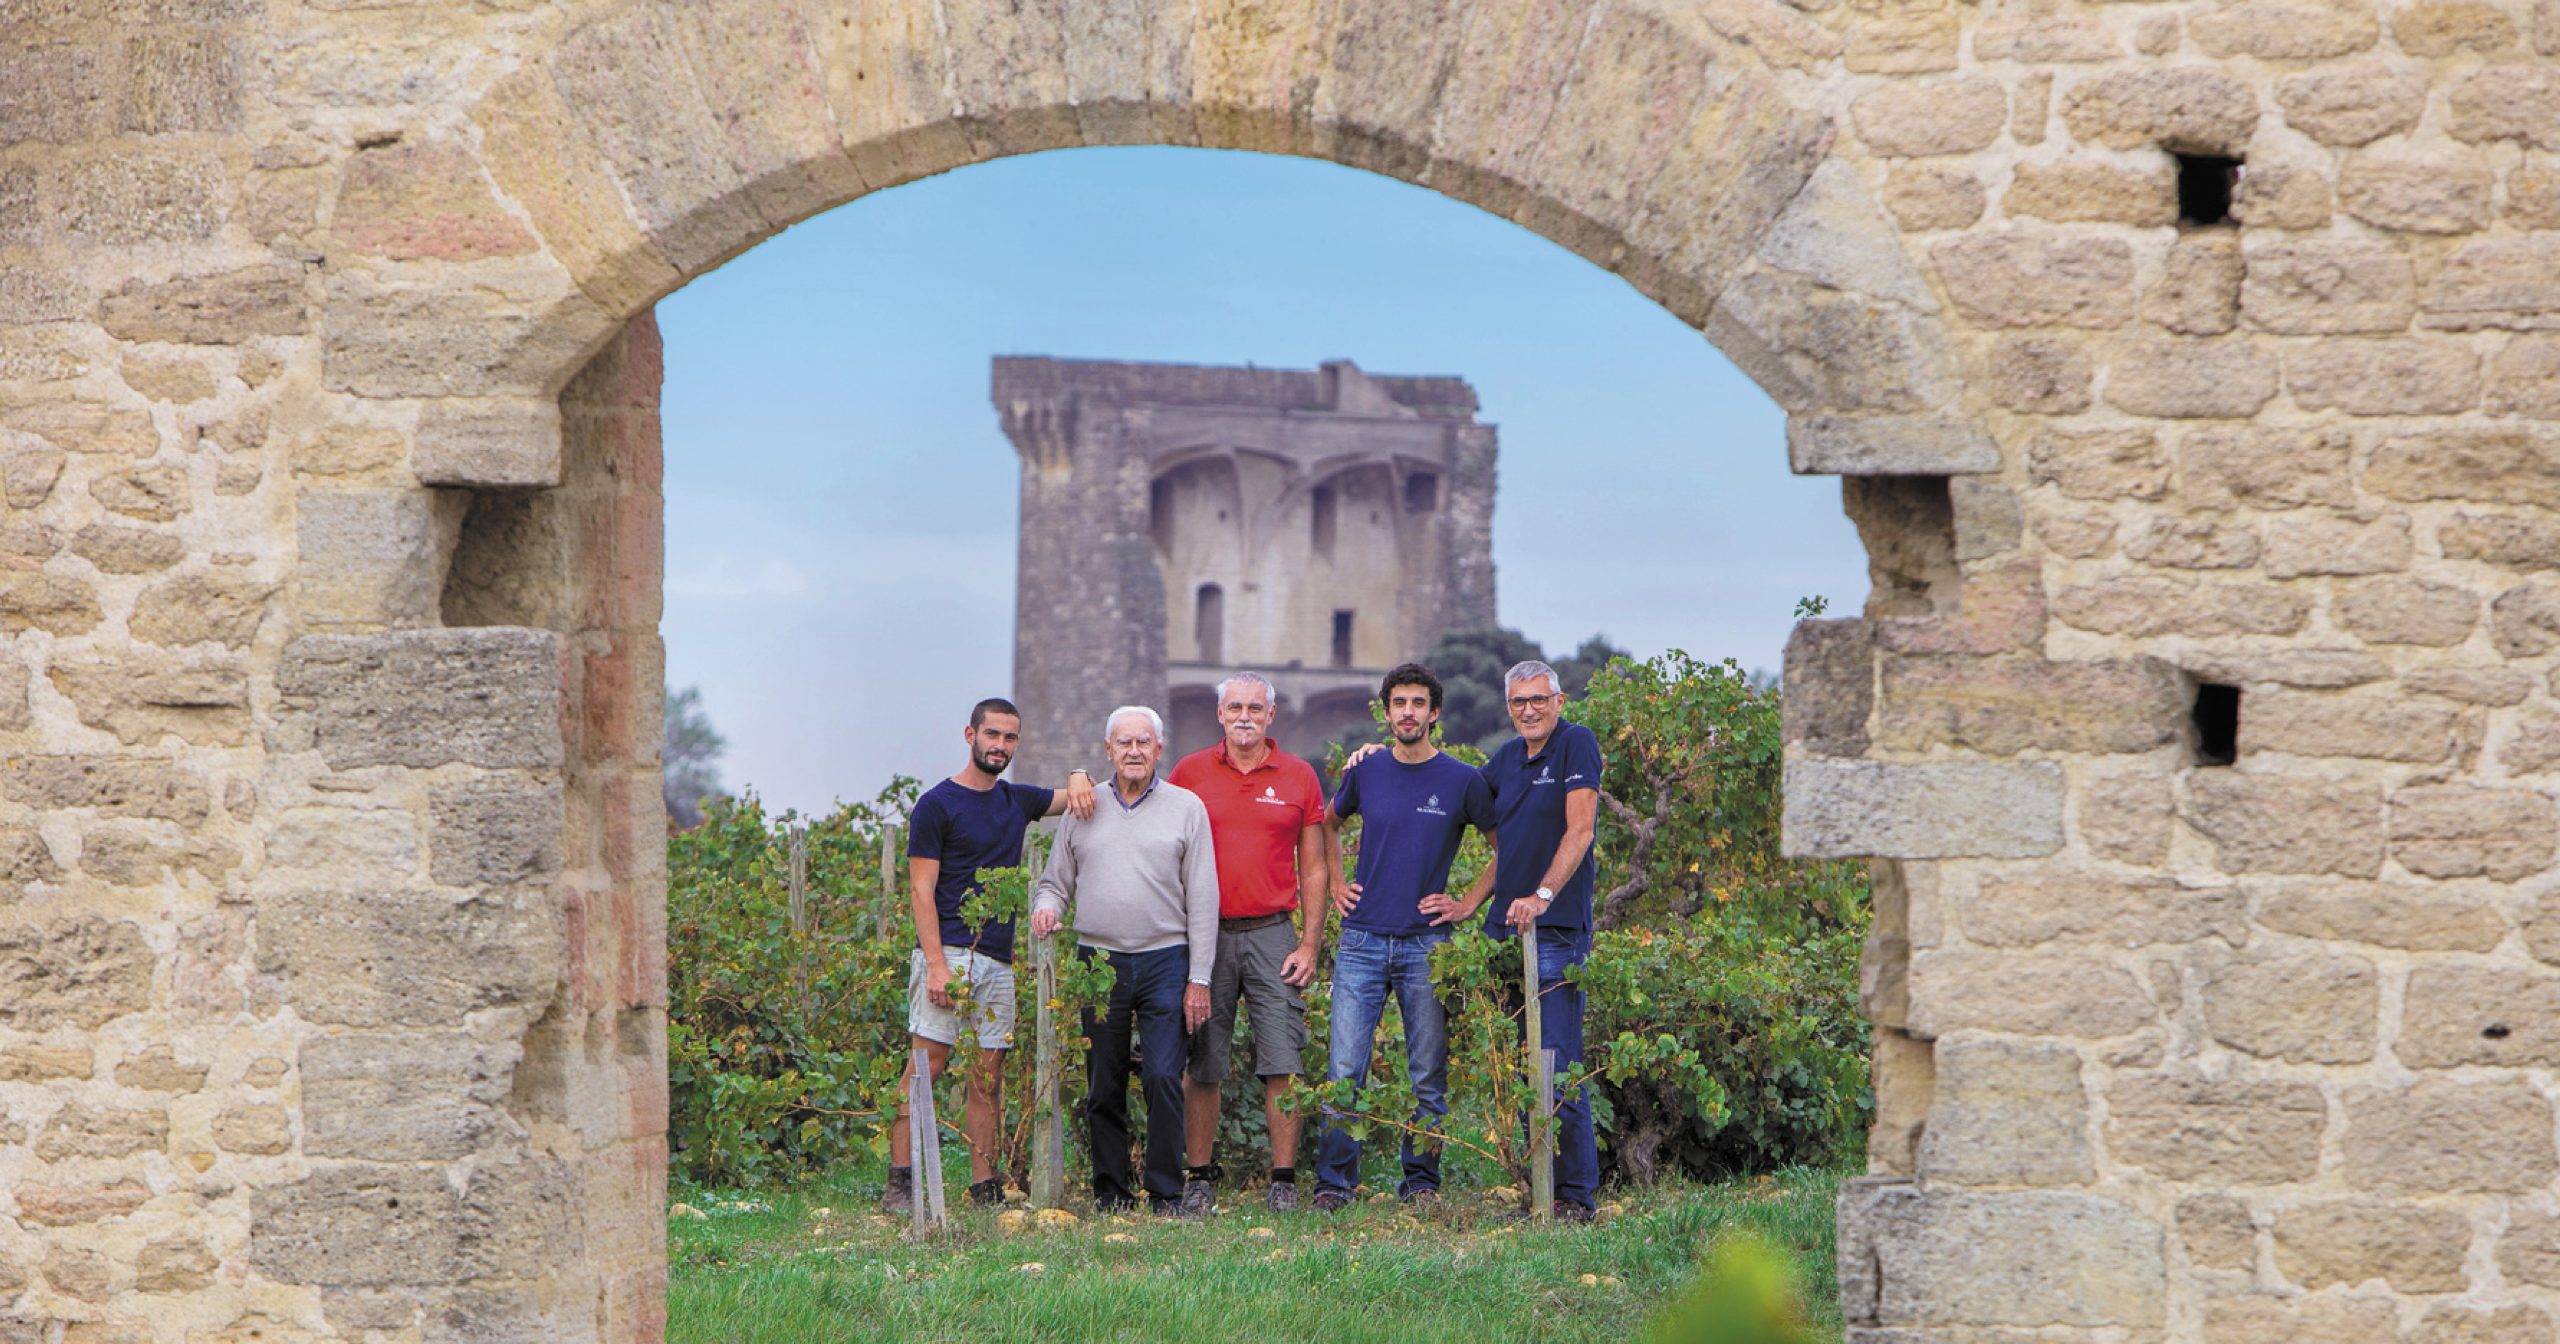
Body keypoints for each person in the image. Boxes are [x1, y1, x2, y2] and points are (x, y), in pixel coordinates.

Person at [880, 697, 1095, 1214]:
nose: (1000, 746)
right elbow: (920, 892)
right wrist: (934, 963)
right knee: (923, 1070)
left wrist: (1081, 771)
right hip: (947, 954)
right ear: (970, 734)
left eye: (1010, 738)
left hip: (997, 960)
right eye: (992, 735)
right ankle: (900, 1182)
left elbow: (1079, 797)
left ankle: (984, 1188)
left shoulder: (1016, 801)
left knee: (988, 1078)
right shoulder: (937, 804)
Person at [1310, 663, 1494, 1212]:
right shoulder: (1366, 772)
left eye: (1418, 703)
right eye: (1398, 704)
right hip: (1362, 942)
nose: (1408, 713)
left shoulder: (1463, 780)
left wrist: (1465, 904)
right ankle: (1333, 1185)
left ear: (1434, 713)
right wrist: (1339, 881)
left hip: (1426, 947)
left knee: (1426, 1075)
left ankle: (1420, 1185)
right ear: (1386, 712)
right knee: (1345, 1068)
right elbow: (1327, 824)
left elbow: (1503, 849)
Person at [1030, 706, 1220, 1214]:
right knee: (1103, 1081)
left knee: (1162, 1075)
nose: (1134, 752)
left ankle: (1164, 1193)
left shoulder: (1187, 808)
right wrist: (1047, 910)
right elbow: (1054, 883)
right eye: (1124, 743)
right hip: (1099, 963)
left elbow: (1203, 898)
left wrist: (1199, 977)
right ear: (1108, 750)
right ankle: (1110, 1193)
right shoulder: (1082, 808)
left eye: (1144, 743)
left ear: (1159, 749)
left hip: (1166, 959)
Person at [1445, 660, 1604, 1222]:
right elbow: (1467, 805)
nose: (1529, 710)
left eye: (1539, 699)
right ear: (1508, 706)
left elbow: (1579, 830)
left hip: (1555, 932)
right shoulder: (1507, 760)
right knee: (1517, 1068)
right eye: (1518, 702)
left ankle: (1575, 1197)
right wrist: (1469, 902)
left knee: (1557, 1064)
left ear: (1558, 701)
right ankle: (1538, 1188)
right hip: (1504, 934)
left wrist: (1542, 894)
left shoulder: (1575, 744)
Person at [1167, 671, 1329, 1214]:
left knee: (1282, 1059)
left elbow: (1315, 867)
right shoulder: (1189, 773)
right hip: (1204, 936)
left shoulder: (1299, 776)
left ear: (1270, 716)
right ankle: (1199, 1179)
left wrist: (1309, 944)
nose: (1244, 716)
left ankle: (1282, 1180)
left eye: (1254, 708)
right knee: (1203, 1060)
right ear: (1219, 714)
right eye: (1234, 706)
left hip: (1272, 932)